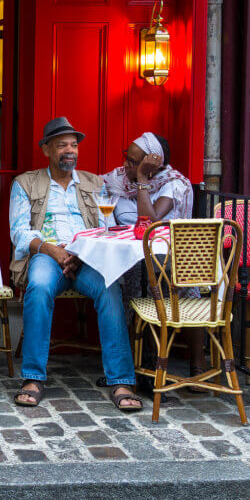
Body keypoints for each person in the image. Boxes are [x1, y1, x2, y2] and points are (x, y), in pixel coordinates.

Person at [9, 117, 142, 412]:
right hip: (46, 253)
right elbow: (19, 232)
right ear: (46, 149)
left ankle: (120, 380)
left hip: (87, 258)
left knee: (110, 289)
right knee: (40, 286)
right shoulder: (25, 183)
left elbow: (108, 227)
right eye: (62, 145)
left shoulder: (95, 183)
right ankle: (32, 377)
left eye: (74, 145)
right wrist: (53, 250)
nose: (70, 151)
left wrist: (83, 253)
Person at [103, 132, 204, 386]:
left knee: (155, 285)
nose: (127, 165)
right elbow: (97, 189)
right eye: (127, 157)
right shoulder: (118, 180)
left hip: (172, 256)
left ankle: (193, 363)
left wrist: (141, 178)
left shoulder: (173, 183)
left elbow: (149, 220)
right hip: (134, 253)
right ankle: (134, 362)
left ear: (153, 162)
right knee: (126, 282)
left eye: (135, 162)